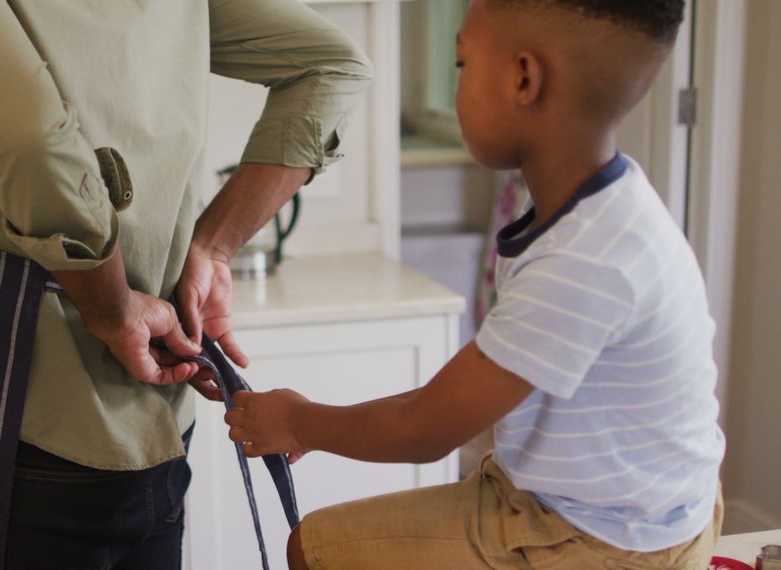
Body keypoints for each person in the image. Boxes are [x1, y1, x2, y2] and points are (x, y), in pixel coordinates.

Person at [0, 0, 372, 568]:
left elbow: (29, 141)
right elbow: (333, 66)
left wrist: (114, 310)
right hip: (162, 423)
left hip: (24, 424)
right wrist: (213, 246)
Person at [225, 1, 726, 568]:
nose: (457, 83)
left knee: (313, 549)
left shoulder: (589, 259)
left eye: (462, 64)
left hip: (608, 539)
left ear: (523, 79)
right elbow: (453, 395)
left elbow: (425, 428)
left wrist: (297, 421)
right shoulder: (601, 211)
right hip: (645, 504)